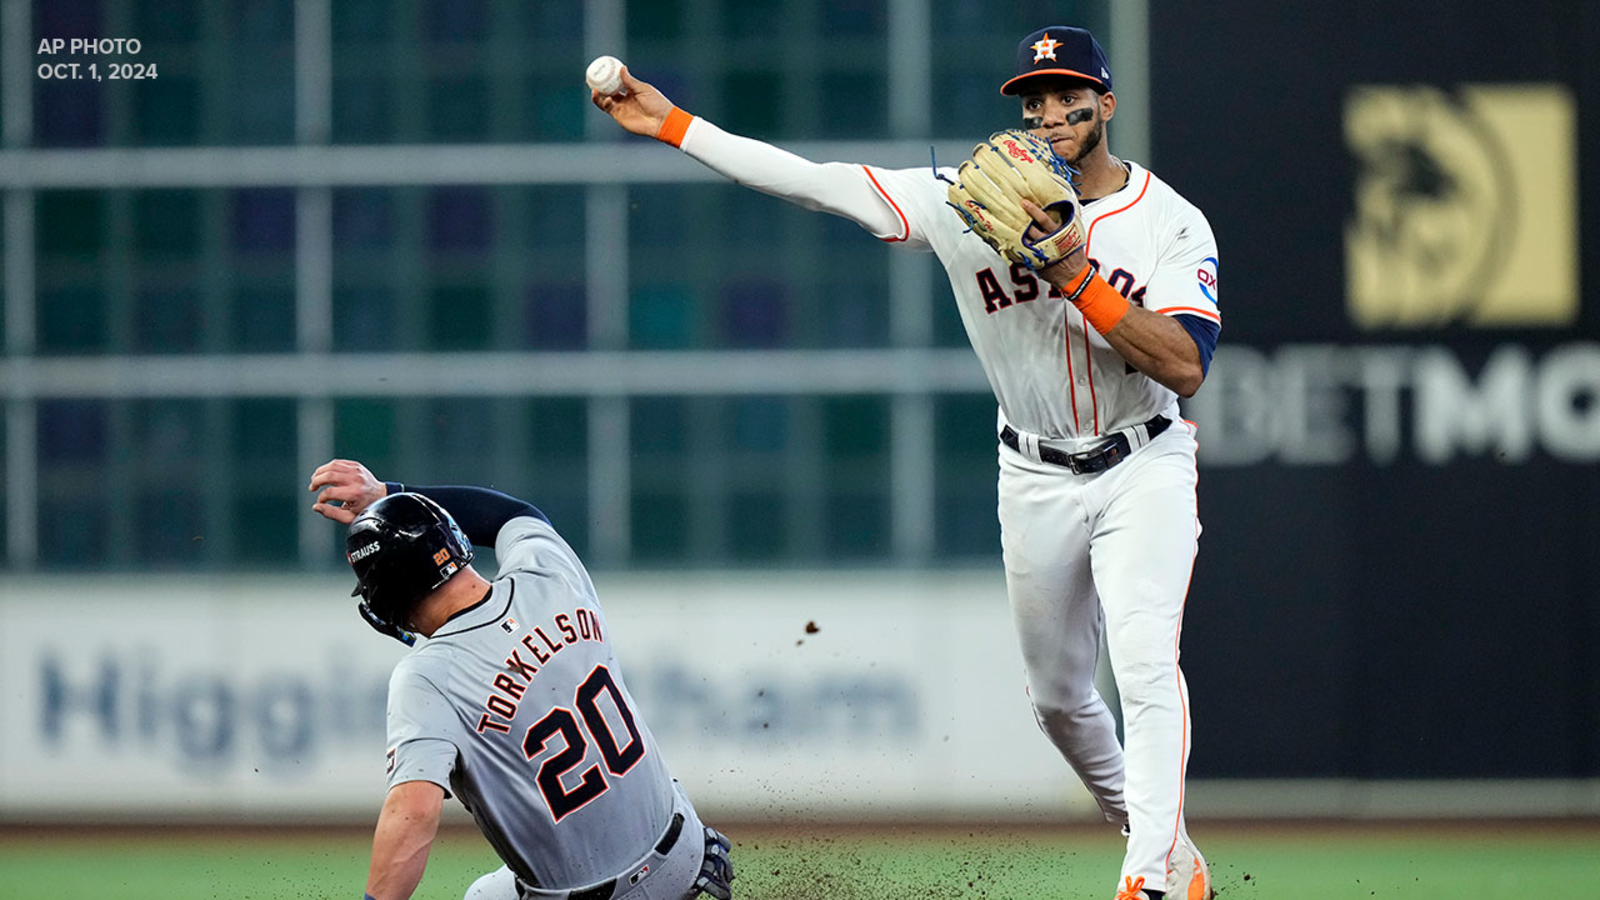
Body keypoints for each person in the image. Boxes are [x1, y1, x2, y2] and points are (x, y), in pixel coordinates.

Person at [592, 25, 1218, 900]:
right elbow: (814, 183)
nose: (1046, 112)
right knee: (1060, 703)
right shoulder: (961, 202)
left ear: (1105, 103)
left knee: (1147, 663)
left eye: (1065, 95)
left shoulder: (1168, 221)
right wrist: (674, 125)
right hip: (1034, 474)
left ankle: (1148, 877)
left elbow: (1186, 364)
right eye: (1031, 99)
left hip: (1143, 463)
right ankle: (1168, 847)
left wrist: (1079, 276)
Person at [308, 459, 735, 900]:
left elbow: (412, 818)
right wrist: (388, 492)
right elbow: (510, 513)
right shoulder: (549, 572)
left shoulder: (428, 677)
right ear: (454, 540)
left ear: (386, 596)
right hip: (686, 853)